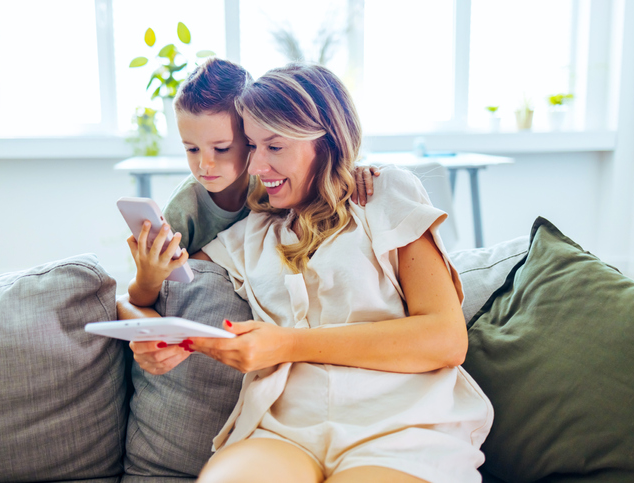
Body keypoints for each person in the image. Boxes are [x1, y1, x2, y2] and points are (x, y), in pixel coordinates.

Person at [127, 63, 493, 483]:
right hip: (282, 430)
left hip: (399, 428)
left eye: (274, 147)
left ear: (327, 141)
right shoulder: (248, 234)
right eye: (251, 146)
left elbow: (446, 339)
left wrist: (286, 344)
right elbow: (156, 293)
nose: (256, 166)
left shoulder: (382, 194)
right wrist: (160, 338)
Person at [119, 58, 378, 345]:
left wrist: (353, 169)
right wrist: (149, 278)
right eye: (191, 149)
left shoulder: (274, 184)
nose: (205, 164)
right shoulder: (186, 208)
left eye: (222, 148)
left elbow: (320, 166)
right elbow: (141, 298)